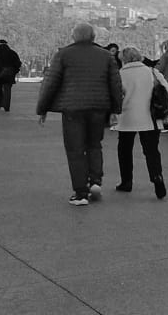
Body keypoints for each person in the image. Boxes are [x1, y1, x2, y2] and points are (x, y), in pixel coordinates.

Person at [35, 22, 122, 205]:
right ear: (93, 37)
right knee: (94, 145)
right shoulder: (106, 55)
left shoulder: (63, 54)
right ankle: (95, 181)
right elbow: (115, 84)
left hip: (72, 109)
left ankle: (81, 193)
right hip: (98, 108)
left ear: (73, 36)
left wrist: (42, 109)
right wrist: (116, 109)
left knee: (75, 149)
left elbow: (51, 83)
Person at [111, 45, 168, 199]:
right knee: (151, 150)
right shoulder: (151, 72)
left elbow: (116, 96)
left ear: (123, 59)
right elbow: (165, 90)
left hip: (127, 117)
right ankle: (157, 177)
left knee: (124, 150)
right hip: (150, 117)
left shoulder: (120, 74)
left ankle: (126, 181)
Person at [0, 36, 20, 111]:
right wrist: (14, 71)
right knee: (7, 89)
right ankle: (6, 106)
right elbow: (18, 63)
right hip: (9, 73)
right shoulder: (12, 53)